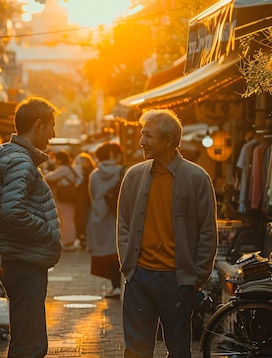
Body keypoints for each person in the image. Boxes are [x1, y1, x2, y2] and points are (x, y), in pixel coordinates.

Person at [117, 109, 218, 357]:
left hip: (177, 280)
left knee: (179, 349)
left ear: (168, 141)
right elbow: (123, 224)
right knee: (136, 350)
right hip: (139, 278)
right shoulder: (134, 175)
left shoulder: (196, 178)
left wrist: (195, 278)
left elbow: (207, 232)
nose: (141, 142)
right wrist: (128, 266)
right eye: (142, 135)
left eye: (148, 136)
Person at [0, 96, 63, 358]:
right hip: (25, 262)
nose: (53, 133)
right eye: (51, 126)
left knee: (25, 340)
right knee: (30, 345)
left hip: (19, 259)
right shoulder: (20, 161)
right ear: (38, 125)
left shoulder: (13, 158)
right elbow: (12, 212)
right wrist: (47, 232)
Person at [87, 141, 124, 298]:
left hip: (98, 217)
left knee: (106, 253)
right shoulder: (122, 171)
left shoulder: (94, 175)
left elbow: (92, 195)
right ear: (114, 155)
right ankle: (118, 286)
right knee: (117, 252)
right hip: (116, 216)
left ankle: (115, 286)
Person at [45, 149, 81, 250]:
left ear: (60, 160)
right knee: (67, 219)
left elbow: (50, 177)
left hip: (64, 198)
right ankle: (68, 241)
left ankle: (68, 242)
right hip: (68, 198)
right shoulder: (69, 168)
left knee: (66, 220)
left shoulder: (63, 169)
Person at [73, 151, 96, 246]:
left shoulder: (81, 172)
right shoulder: (92, 170)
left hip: (82, 196)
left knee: (81, 216)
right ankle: (86, 236)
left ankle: (83, 236)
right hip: (89, 195)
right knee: (87, 216)